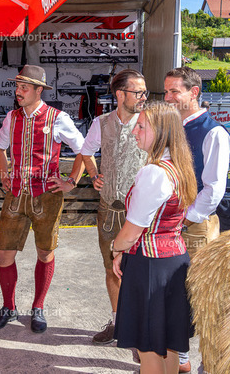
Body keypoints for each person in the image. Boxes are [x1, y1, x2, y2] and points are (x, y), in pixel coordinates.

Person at [0, 65, 84, 333]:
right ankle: (8, 307)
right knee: (4, 254)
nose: (18, 92)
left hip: (47, 196)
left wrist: (71, 181)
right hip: (16, 195)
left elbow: (83, 149)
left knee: (44, 252)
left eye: (24, 88)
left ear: (39, 90)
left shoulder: (58, 118)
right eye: (17, 87)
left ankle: (38, 307)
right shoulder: (12, 117)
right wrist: (4, 174)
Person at [110, 101, 197, 374]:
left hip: (150, 265)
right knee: (169, 343)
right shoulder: (179, 167)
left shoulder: (154, 172)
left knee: (148, 347)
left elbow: (132, 231)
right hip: (175, 261)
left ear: (160, 131)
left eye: (141, 126)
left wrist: (116, 248)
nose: (134, 131)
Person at [64, 69, 148, 344]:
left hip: (141, 214)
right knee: (112, 269)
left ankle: (142, 329)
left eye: (144, 92)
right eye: (138, 92)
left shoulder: (150, 122)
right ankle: (117, 323)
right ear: (120, 94)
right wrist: (93, 174)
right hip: (109, 211)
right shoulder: (101, 123)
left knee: (143, 272)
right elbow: (86, 151)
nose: (143, 97)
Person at [163, 66, 230, 372]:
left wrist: (184, 221)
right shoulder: (172, 127)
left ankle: (208, 363)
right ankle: (180, 359)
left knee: (201, 298)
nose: (168, 97)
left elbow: (214, 189)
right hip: (173, 223)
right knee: (174, 294)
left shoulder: (214, 132)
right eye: (166, 91)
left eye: (174, 91)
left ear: (194, 92)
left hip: (195, 226)